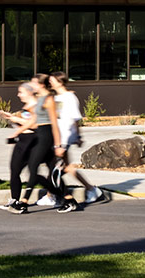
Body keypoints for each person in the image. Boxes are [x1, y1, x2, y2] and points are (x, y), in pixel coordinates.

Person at [0, 79, 75, 214]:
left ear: (40, 85)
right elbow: (33, 121)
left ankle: (23, 203)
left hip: (46, 137)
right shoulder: (41, 100)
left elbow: (54, 123)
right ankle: (68, 199)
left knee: (33, 168)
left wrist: (58, 145)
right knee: (47, 173)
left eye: (33, 83)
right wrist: (16, 131)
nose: (31, 85)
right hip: (40, 136)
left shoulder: (49, 100)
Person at [48, 72, 103, 205]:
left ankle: (52, 195)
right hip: (58, 136)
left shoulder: (69, 97)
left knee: (56, 167)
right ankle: (91, 189)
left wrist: (78, 136)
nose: (50, 83)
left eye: (52, 81)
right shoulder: (56, 98)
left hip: (65, 136)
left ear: (60, 82)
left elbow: (75, 119)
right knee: (65, 167)